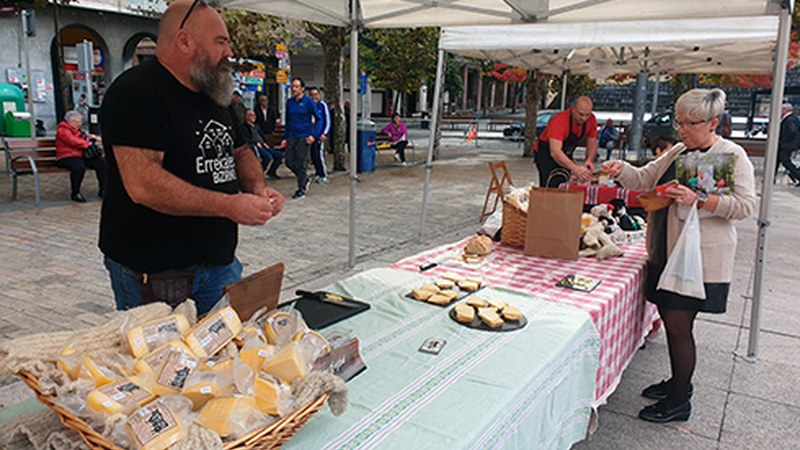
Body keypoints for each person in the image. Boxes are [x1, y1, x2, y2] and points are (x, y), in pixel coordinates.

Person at [98, 0, 285, 315]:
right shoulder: (136, 92)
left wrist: (257, 189)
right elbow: (143, 184)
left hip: (219, 262)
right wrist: (229, 205)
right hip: (156, 271)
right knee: (163, 349)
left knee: (227, 342)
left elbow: (241, 151)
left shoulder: (215, 92)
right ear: (184, 41)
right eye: (220, 42)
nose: (228, 52)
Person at [602, 88, 755, 424]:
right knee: (672, 319)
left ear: (713, 122)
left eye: (690, 123)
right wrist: (620, 169)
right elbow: (644, 177)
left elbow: (745, 206)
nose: (682, 129)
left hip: (698, 259)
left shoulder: (732, 154)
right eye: (679, 122)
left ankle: (679, 400)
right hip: (666, 249)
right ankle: (677, 382)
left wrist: (699, 199)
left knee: (678, 324)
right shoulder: (678, 150)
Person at [534, 96, 598, 187]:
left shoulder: (591, 120)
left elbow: (592, 143)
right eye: (581, 114)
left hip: (565, 151)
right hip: (546, 152)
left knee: (567, 180)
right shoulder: (559, 121)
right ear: (573, 109)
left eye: (587, 115)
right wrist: (576, 169)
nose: (584, 118)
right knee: (551, 182)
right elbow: (555, 152)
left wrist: (589, 160)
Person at [281, 77, 322, 200]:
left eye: (297, 86)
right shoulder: (290, 102)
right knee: (289, 161)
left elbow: (319, 119)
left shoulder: (308, 102)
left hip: (304, 136)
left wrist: (314, 135)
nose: (294, 89)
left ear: (302, 89)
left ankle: (301, 188)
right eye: (293, 86)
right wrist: (285, 137)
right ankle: (304, 178)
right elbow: (288, 121)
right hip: (292, 136)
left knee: (300, 161)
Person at [55, 110, 107, 203]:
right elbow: (72, 140)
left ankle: (103, 190)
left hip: (80, 155)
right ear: (69, 121)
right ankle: (75, 192)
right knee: (78, 167)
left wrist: (93, 138)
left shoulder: (77, 130)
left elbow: (83, 137)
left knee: (101, 164)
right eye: (76, 122)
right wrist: (88, 144)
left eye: (80, 122)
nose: (79, 124)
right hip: (66, 156)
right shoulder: (62, 129)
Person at [244, 109, 283, 179]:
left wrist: (264, 143)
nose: (254, 117)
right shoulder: (244, 127)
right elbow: (246, 139)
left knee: (279, 155)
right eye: (251, 115)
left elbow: (261, 136)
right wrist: (255, 143)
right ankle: (259, 172)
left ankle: (271, 172)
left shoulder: (256, 126)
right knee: (267, 157)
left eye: (254, 115)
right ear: (247, 116)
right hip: (254, 146)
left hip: (263, 145)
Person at [308, 87, 331, 183]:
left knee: (319, 155)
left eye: (316, 94)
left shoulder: (323, 106)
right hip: (311, 134)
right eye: (312, 95)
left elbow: (328, 120)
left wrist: (325, 133)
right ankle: (318, 173)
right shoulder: (309, 106)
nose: (314, 97)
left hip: (320, 135)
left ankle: (323, 174)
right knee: (313, 155)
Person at [776, 101, 800, 186]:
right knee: (777, 160)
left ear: (784, 110)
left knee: (785, 161)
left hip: (788, 144)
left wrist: (783, 140)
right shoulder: (791, 118)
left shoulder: (790, 119)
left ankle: (797, 175)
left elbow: (792, 131)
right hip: (787, 144)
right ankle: (771, 177)